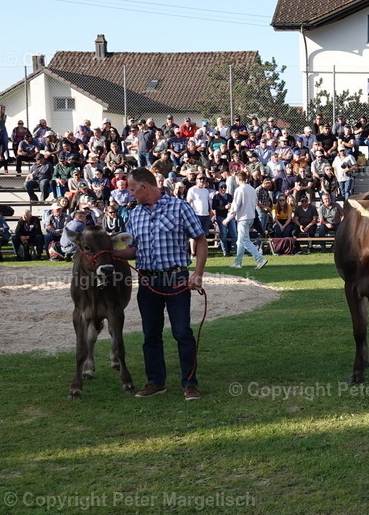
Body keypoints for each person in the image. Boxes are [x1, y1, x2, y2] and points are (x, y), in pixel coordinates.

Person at [114, 168, 207, 400]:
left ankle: (190, 383)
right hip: (147, 282)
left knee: (182, 332)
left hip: (176, 279)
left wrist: (197, 273)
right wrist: (109, 252)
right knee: (150, 334)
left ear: (144, 187)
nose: (130, 194)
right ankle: (156, 382)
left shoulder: (180, 207)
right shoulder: (134, 214)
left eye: (133, 189)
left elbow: (200, 239)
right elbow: (134, 250)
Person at [224, 170, 268, 269]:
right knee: (240, 241)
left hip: (243, 218)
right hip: (251, 216)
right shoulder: (252, 188)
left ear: (239, 179)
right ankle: (237, 262)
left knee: (245, 241)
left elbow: (235, 206)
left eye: (236, 178)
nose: (235, 180)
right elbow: (255, 202)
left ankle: (260, 259)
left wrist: (228, 218)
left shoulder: (239, 190)